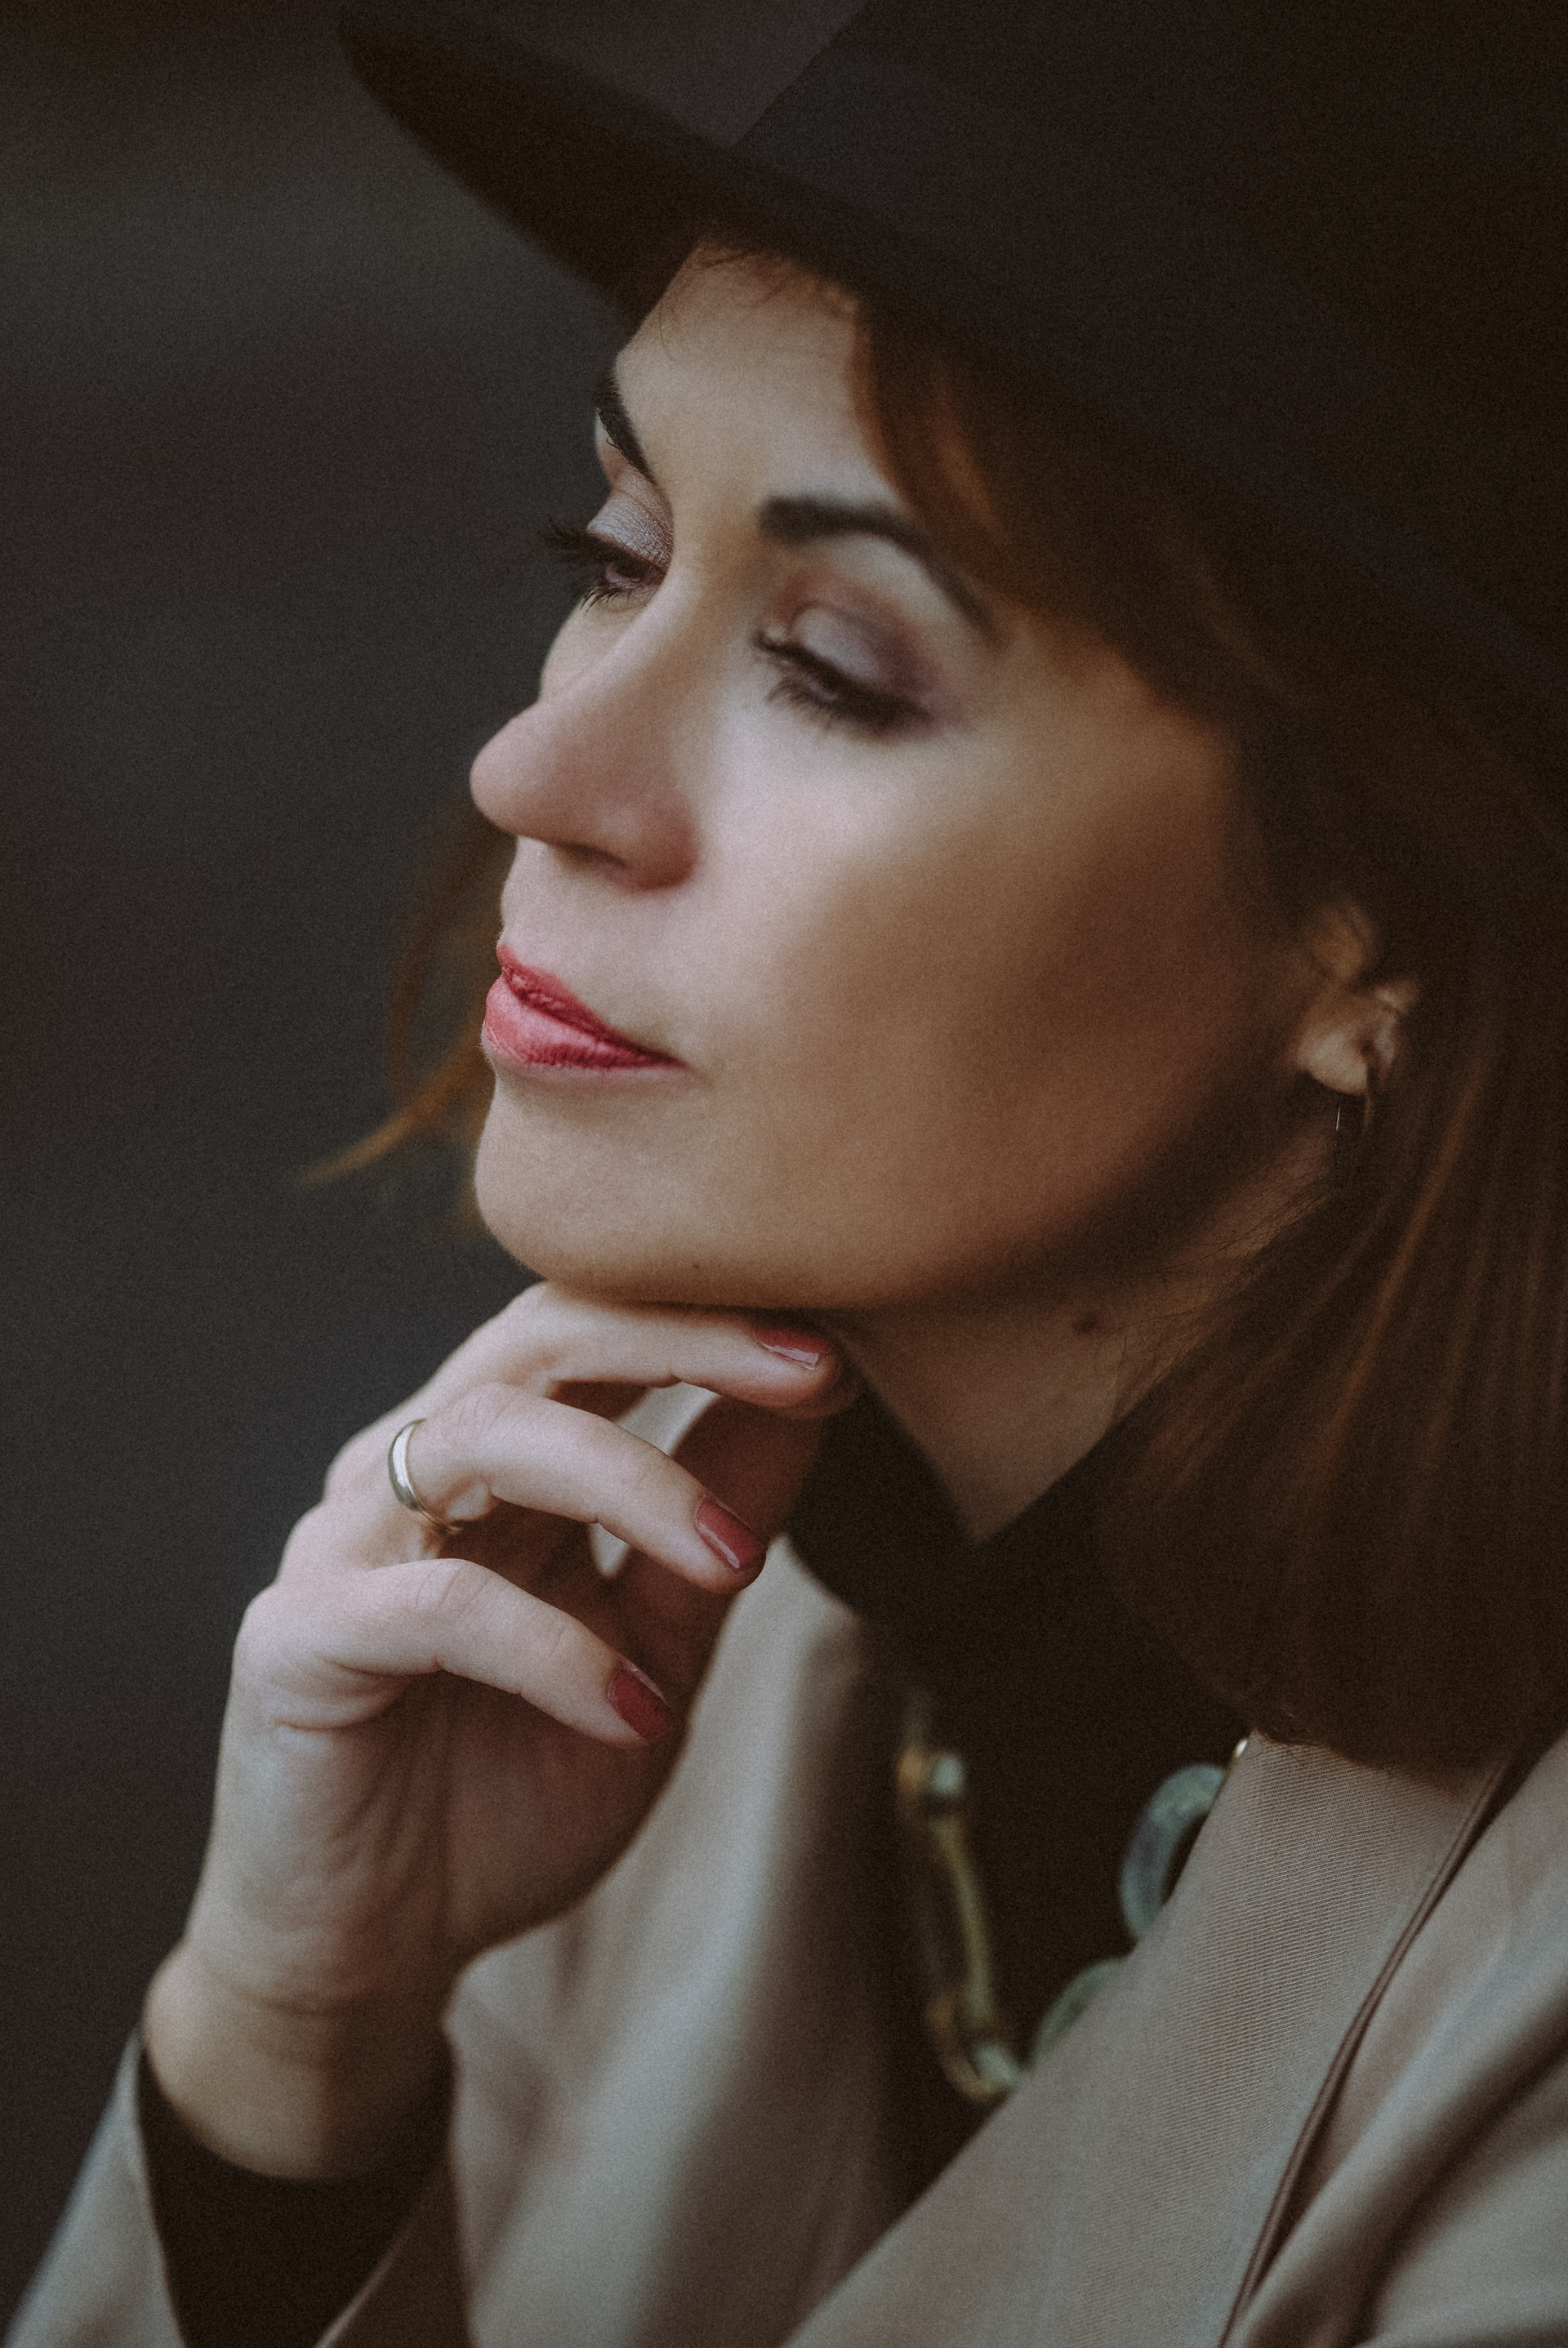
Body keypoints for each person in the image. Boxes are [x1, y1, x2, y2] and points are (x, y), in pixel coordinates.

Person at [13, 2, 1568, 2343]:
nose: (536, 767)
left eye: (837, 665)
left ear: (1377, 927)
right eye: (613, 546)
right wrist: (288, 2058)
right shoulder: (639, 1660)